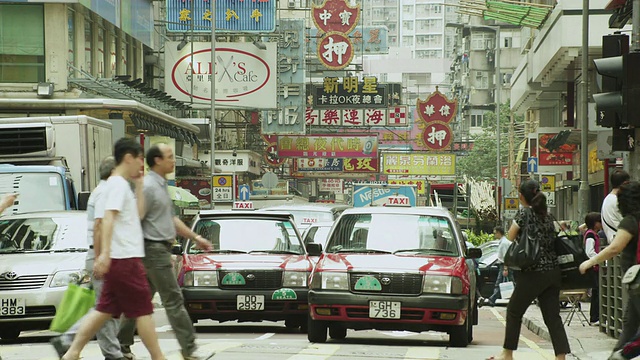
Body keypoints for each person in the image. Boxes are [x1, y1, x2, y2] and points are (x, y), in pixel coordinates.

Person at [60, 138, 164, 360]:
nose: (141, 165)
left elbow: (138, 215)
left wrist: (138, 185)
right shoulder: (116, 185)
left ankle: (72, 352)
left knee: (103, 311)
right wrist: (104, 254)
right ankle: (158, 357)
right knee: (143, 311)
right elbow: (106, 220)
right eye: (139, 159)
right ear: (128, 157)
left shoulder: (122, 185)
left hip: (122, 258)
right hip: (125, 259)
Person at [117, 143, 214, 360]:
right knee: (173, 299)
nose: (173, 160)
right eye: (169, 156)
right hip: (153, 249)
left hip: (155, 250)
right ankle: (189, 349)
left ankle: (121, 346)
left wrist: (195, 238)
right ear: (157, 160)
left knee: (138, 301)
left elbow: (171, 220)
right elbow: (135, 218)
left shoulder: (160, 185)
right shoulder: (149, 186)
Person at [50, 156, 125, 360]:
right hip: (100, 254)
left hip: (103, 254)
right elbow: (100, 224)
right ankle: (111, 353)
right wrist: (102, 257)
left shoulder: (103, 191)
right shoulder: (104, 193)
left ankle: (68, 340)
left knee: (107, 306)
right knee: (105, 306)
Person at [488, 179, 570, 360]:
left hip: (533, 272)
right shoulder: (548, 216)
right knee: (552, 317)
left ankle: (507, 353)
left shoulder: (524, 214)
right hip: (553, 273)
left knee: (514, 311)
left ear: (522, 197)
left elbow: (509, 238)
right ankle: (561, 356)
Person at [579, 181, 640, 356]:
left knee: (630, 328)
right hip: (635, 283)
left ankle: (623, 354)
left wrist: (590, 262)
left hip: (637, 279)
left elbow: (615, 247)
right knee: (629, 324)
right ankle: (617, 355)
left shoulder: (630, 221)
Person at [481, 227, 513, 307]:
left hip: (504, 265)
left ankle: (492, 300)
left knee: (501, 283)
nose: (494, 235)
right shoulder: (502, 242)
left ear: (499, 233)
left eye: (495, 233)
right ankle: (492, 300)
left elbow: (506, 257)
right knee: (501, 284)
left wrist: (505, 268)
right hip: (503, 265)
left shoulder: (504, 243)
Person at [583, 212, 602, 326]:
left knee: (597, 292)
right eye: (599, 221)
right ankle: (595, 317)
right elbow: (589, 252)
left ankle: (595, 316)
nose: (601, 224)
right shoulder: (590, 235)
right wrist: (600, 259)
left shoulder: (593, 234)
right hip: (594, 268)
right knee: (596, 293)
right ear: (594, 223)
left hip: (595, 267)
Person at [601, 170, 630, 244]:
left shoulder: (608, 199)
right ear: (624, 183)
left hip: (615, 241)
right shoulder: (617, 200)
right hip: (622, 243)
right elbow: (627, 223)